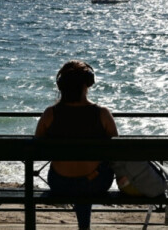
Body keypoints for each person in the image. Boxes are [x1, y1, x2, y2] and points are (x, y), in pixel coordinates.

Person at [35, 60, 118, 230]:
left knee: (80, 181)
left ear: (60, 85)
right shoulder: (102, 113)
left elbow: (37, 148)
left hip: (60, 183)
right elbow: (116, 151)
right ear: (88, 83)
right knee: (93, 175)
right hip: (96, 184)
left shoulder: (50, 114)